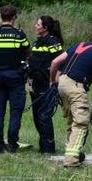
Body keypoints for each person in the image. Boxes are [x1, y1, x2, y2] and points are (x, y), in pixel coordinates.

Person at [50, 27, 92, 168]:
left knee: (72, 121)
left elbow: (54, 63)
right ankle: (71, 159)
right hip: (76, 87)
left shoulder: (77, 46)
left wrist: (52, 82)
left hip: (62, 83)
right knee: (81, 123)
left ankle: (72, 152)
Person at [0, 5, 30, 153]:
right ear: (14, 17)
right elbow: (27, 51)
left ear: (1, 17)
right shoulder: (19, 34)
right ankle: (12, 144)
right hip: (14, 75)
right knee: (15, 111)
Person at [28, 15, 64, 154]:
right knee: (37, 117)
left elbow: (61, 62)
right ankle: (43, 146)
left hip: (47, 85)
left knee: (44, 116)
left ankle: (49, 148)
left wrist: (54, 82)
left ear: (45, 27)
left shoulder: (53, 41)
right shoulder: (37, 42)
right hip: (35, 85)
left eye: (38, 24)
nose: (35, 26)